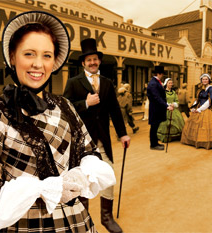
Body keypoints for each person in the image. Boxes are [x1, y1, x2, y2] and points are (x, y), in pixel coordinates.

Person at [0, 11, 116, 233]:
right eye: (29, 54)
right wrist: (43, 189)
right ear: (12, 57)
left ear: (55, 61)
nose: (38, 64)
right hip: (25, 226)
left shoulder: (65, 106)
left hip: (78, 223)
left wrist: (84, 172)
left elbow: (90, 151)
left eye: (47, 55)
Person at [63, 38, 130, 233]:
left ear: (99, 61)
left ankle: (106, 218)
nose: (92, 62)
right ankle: (83, 217)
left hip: (102, 139)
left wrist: (123, 134)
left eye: (95, 59)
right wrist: (85, 103)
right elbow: (65, 108)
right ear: (83, 63)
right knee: (83, 177)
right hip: (81, 142)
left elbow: (115, 110)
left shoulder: (107, 83)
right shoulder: (74, 82)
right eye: (88, 60)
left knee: (107, 174)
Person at [181, 73, 212, 150]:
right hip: (200, 108)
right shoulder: (201, 90)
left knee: (208, 126)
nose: (204, 80)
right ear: (201, 80)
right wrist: (193, 107)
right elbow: (197, 99)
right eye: (203, 79)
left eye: (206, 79)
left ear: (209, 80)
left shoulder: (211, 89)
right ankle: (196, 141)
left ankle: (209, 143)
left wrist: (200, 109)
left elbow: (209, 101)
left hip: (208, 109)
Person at [147, 66, 174, 150]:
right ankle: (153, 144)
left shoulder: (155, 82)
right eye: (162, 74)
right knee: (154, 127)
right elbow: (156, 97)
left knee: (155, 126)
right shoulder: (153, 83)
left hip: (157, 109)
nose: (162, 76)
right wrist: (166, 106)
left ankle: (155, 143)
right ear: (159, 74)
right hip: (155, 109)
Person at [157, 78, 185, 142]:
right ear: (166, 84)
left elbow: (177, 101)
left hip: (173, 110)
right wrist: (167, 106)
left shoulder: (174, 92)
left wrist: (174, 104)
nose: (171, 84)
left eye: (171, 83)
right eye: (169, 83)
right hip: (165, 109)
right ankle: (164, 136)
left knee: (177, 122)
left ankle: (175, 137)